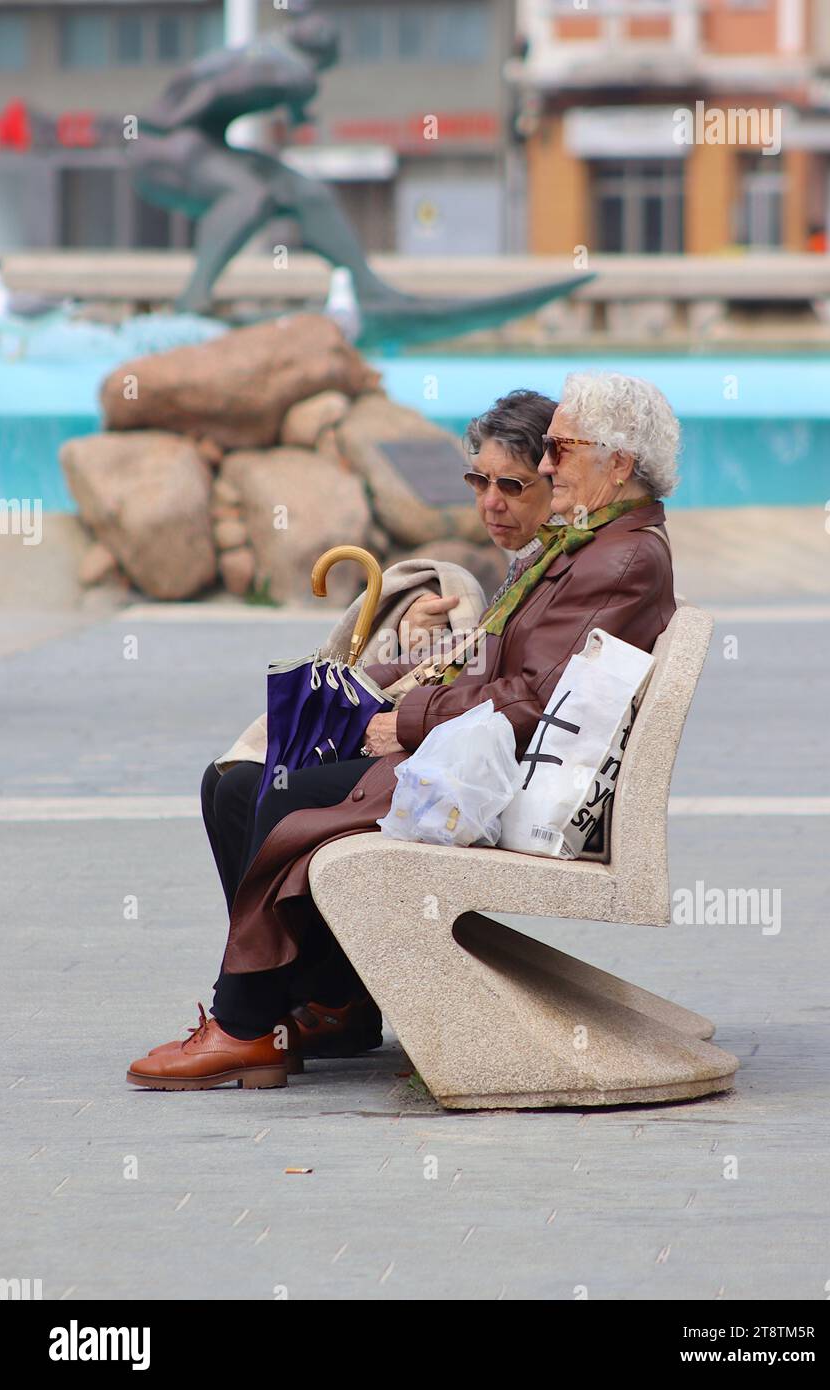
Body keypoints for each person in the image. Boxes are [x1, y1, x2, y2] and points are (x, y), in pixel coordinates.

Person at [128, 373, 677, 1090]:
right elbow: (508, 665)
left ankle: (246, 1026)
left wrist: (406, 722)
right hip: (490, 759)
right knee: (233, 786)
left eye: (558, 453)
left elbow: (536, 697)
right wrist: (413, 665)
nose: (546, 465)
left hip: (499, 782)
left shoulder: (618, 558)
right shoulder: (593, 545)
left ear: (619, 464)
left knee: (280, 793)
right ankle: (328, 1002)